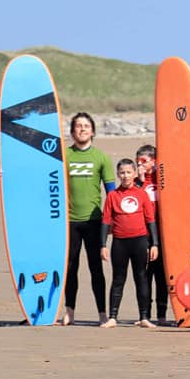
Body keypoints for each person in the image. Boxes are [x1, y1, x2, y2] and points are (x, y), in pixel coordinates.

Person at [64, 112, 115, 326]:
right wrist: (5, 173)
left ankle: (102, 313)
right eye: (78, 126)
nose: (82, 129)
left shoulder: (101, 158)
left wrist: (111, 222)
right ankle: (69, 312)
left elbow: (112, 193)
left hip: (94, 221)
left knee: (96, 268)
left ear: (93, 131)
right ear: (72, 131)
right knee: (70, 267)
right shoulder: (63, 156)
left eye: (86, 126)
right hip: (69, 221)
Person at [100, 159, 159, 328]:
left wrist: (154, 244)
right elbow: (105, 221)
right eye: (122, 173)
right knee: (118, 279)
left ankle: (144, 317)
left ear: (134, 173)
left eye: (128, 172)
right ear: (118, 175)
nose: (125, 176)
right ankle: (112, 317)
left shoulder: (142, 194)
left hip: (140, 241)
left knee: (141, 278)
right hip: (119, 242)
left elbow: (150, 220)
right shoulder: (112, 196)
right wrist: (103, 245)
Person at [135, 144, 166, 325]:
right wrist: (139, 179)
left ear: (154, 161)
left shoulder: (160, 178)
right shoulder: (137, 182)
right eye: (138, 160)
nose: (141, 164)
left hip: (161, 233)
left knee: (161, 275)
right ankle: (144, 315)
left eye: (144, 161)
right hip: (143, 233)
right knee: (144, 275)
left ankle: (161, 314)